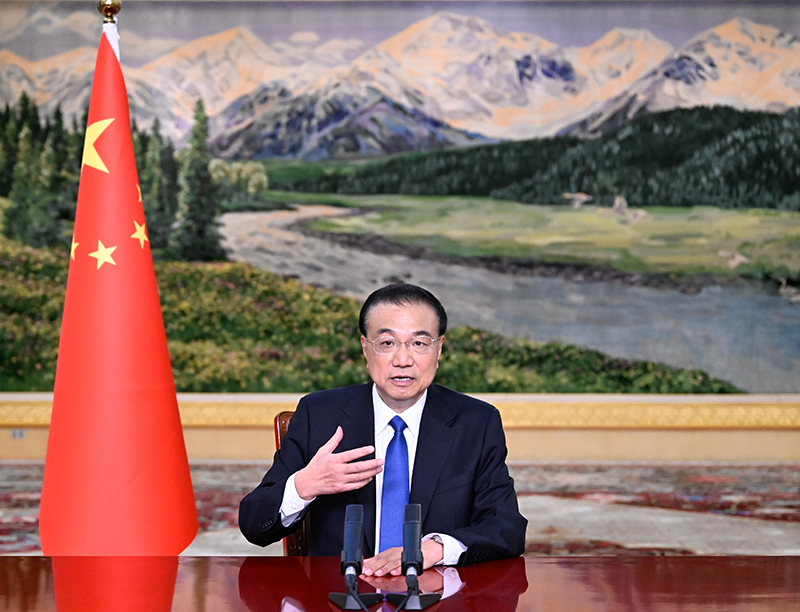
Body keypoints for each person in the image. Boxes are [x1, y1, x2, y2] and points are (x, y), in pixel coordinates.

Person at [239, 283, 527, 575]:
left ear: (439, 348)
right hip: (337, 594)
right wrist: (304, 485)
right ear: (366, 348)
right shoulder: (320, 415)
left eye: (419, 343)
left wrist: (434, 549)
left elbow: (507, 528)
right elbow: (253, 525)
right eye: (387, 343)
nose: (403, 360)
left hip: (435, 593)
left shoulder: (475, 423)